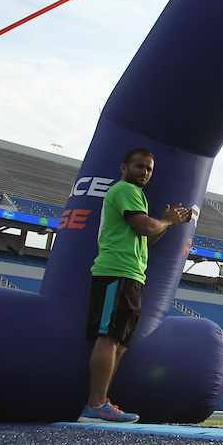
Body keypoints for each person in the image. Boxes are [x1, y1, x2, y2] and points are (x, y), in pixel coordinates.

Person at [79, 148, 192, 423]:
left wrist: (165, 224)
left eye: (149, 169)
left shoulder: (135, 195)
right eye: (140, 166)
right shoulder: (125, 191)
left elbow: (144, 238)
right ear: (124, 167)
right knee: (109, 337)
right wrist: (167, 220)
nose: (144, 172)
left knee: (119, 341)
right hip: (116, 271)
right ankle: (95, 404)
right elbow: (144, 227)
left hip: (131, 274)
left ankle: (101, 402)